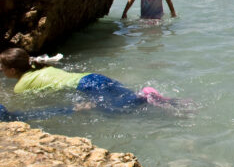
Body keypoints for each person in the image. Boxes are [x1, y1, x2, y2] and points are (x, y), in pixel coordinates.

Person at [0, 47, 172, 111]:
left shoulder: (20, 86)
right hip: (92, 77)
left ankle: (145, 96)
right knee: (127, 97)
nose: (1, 69)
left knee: (114, 110)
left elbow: (38, 102)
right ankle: (159, 98)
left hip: (86, 86)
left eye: (2, 66)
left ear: (12, 70)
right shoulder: (40, 67)